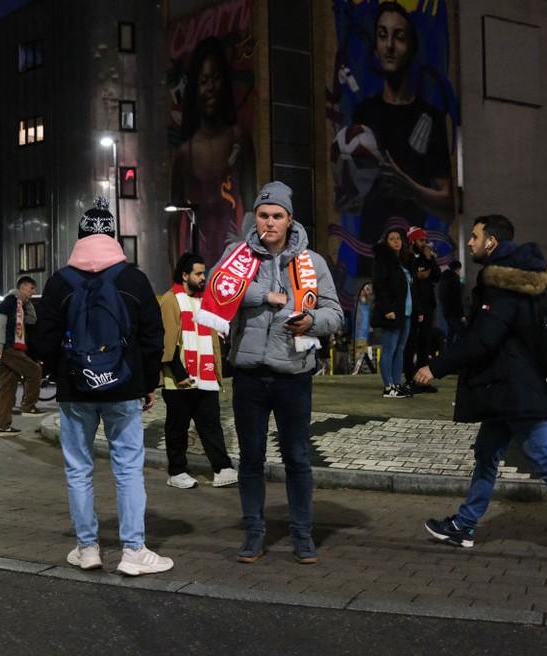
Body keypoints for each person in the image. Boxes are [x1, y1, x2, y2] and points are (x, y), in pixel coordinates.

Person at [415, 214, 547, 567]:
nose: (470, 242)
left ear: (492, 242)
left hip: (514, 392)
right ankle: (464, 525)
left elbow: (483, 340)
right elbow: (534, 341)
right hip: (507, 391)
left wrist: (435, 366)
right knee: (486, 452)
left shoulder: (502, 285)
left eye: (476, 237)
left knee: (543, 459)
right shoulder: (521, 281)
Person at [203, 181, 343, 564]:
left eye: (277, 216)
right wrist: (263, 295)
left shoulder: (311, 262)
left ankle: (302, 535)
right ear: (256, 218)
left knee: (297, 457)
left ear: (289, 219)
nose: (269, 222)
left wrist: (311, 321)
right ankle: (253, 533)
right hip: (249, 374)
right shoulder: (238, 257)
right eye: (263, 215)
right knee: (250, 458)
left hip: (293, 374)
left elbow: (336, 313)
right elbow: (215, 291)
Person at [32, 199, 173, 576]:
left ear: (79, 238)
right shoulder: (134, 279)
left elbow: (41, 342)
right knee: (128, 469)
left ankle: (87, 548)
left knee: (79, 470)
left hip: (75, 391)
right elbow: (153, 338)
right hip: (123, 388)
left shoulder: (60, 281)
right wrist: (145, 384)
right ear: (112, 238)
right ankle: (133, 551)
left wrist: (62, 371)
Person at [354, 2, 453, 270]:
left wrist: (409, 187)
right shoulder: (364, 112)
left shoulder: (429, 118)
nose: (389, 46)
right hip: (369, 253)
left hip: (412, 255)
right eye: (382, 35)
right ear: (375, 45)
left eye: (398, 37)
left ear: (412, 47)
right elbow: (349, 197)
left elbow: (447, 204)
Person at [170, 36, 256, 267]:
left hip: (234, 260)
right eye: (204, 80)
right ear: (195, 88)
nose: (210, 88)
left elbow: (252, 207)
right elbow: (173, 221)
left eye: (216, 78)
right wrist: (178, 277)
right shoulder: (184, 154)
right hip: (196, 262)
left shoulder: (239, 138)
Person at [159, 252, 238, 490]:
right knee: (177, 428)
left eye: (204, 273)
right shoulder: (170, 300)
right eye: (198, 273)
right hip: (179, 380)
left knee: (211, 424)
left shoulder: (207, 302)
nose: (204, 277)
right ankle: (177, 471)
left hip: (206, 377)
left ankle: (222, 468)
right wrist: (178, 373)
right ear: (184, 275)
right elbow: (165, 340)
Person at [0, 276, 43, 436]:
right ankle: (28, 406)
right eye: (31, 288)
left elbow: (32, 320)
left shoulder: (21, 304)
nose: (33, 292)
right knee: (34, 371)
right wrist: (0, 343)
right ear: (22, 287)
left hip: (15, 347)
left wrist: (27, 303)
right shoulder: (10, 301)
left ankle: (3, 426)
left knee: (7, 389)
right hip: (9, 348)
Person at [371, 228, 418, 398]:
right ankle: (388, 386)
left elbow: (411, 290)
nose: (397, 241)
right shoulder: (383, 261)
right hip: (392, 313)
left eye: (399, 238)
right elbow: (380, 287)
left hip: (405, 313)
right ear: (386, 242)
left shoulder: (404, 262)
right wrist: (387, 309)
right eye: (392, 239)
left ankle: (397, 384)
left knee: (401, 349)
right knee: (389, 349)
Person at [403, 226, 440, 392]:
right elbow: (412, 282)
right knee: (411, 343)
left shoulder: (427, 257)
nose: (424, 243)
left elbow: (437, 276)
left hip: (428, 305)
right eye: (421, 240)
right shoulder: (409, 258)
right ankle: (409, 378)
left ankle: (422, 379)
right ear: (413, 241)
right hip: (414, 307)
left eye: (425, 240)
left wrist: (430, 259)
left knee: (425, 343)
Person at [438, 259, 466, 350]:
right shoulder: (454, 279)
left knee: (450, 334)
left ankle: (447, 354)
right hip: (455, 313)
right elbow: (456, 298)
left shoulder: (443, 279)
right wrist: (461, 314)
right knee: (462, 334)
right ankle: (459, 355)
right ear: (458, 269)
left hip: (446, 312)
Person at [351, 281, 376, 375]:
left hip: (365, 333)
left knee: (364, 351)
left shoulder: (366, 305)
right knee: (360, 350)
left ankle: (362, 369)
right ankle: (357, 369)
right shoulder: (359, 305)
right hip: (360, 334)